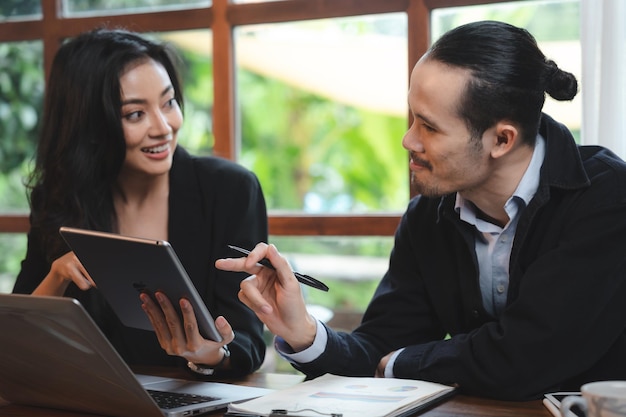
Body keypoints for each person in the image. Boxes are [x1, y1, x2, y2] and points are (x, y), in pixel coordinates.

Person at [216, 20, 626, 399]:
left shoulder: (606, 199)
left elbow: (527, 355)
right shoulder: (427, 217)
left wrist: (398, 364)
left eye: (429, 127)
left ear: (501, 139)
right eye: (413, 119)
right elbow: (379, 347)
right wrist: (304, 332)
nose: (408, 140)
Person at [13, 27, 268, 378]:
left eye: (169, 103)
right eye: (135, 114)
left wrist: (209, 354)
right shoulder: (60, 196)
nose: (163, 127)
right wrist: (57, 275)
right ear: (90, 125)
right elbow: (19, 336)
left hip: (194, 399)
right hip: (92, 397)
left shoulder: (229, 190)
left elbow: (247, 343)